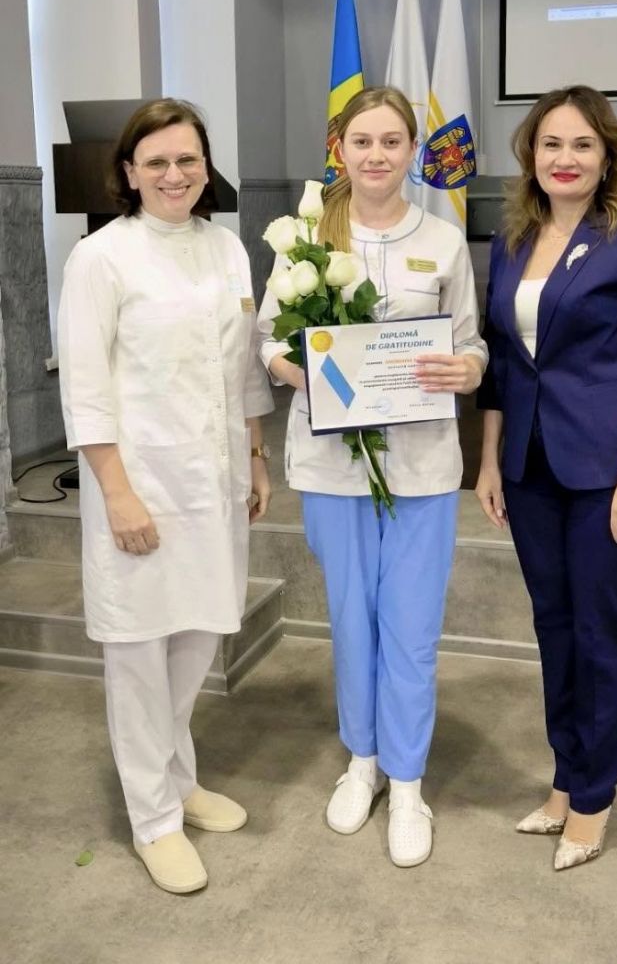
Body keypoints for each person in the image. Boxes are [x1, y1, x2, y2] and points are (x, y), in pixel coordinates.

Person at [257, 86, 487, 868]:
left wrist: (466, 369)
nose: (377, 155)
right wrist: (307, 373)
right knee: (351, 619)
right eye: (362, 141)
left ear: (412, 150)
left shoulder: (443, 240)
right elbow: (268, 340)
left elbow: (472, 344)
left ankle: (409, 780)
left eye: (392, 141)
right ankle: (363, 761)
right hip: (333, 466)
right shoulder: (306, 239)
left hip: (421, 466)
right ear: (340, 150)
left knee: (411, 628)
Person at [58, 98, 274, 894]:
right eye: (156, 162)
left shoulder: (225, 248)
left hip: (214, 479)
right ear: (129, 172)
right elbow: (85, 390)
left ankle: (178, 780)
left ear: (205, 167)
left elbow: (242, 367)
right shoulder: (102, 258)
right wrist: (116, 494)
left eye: (187, 159)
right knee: (140, 655)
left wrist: (256, 455)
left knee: (199, 636)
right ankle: (152, 819)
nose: (174, 174)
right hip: (140, 484)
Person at [476, 85, 617, 870]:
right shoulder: (513, 238)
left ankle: (594, 799)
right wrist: (489, 459)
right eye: (551, 143)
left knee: (600, 635)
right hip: (531, 468)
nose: (565, 158)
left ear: (606, 156)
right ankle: (566, 779)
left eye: (582, 144)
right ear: (531, 153)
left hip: (610, 473)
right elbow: (503, 362)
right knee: (554, 629)